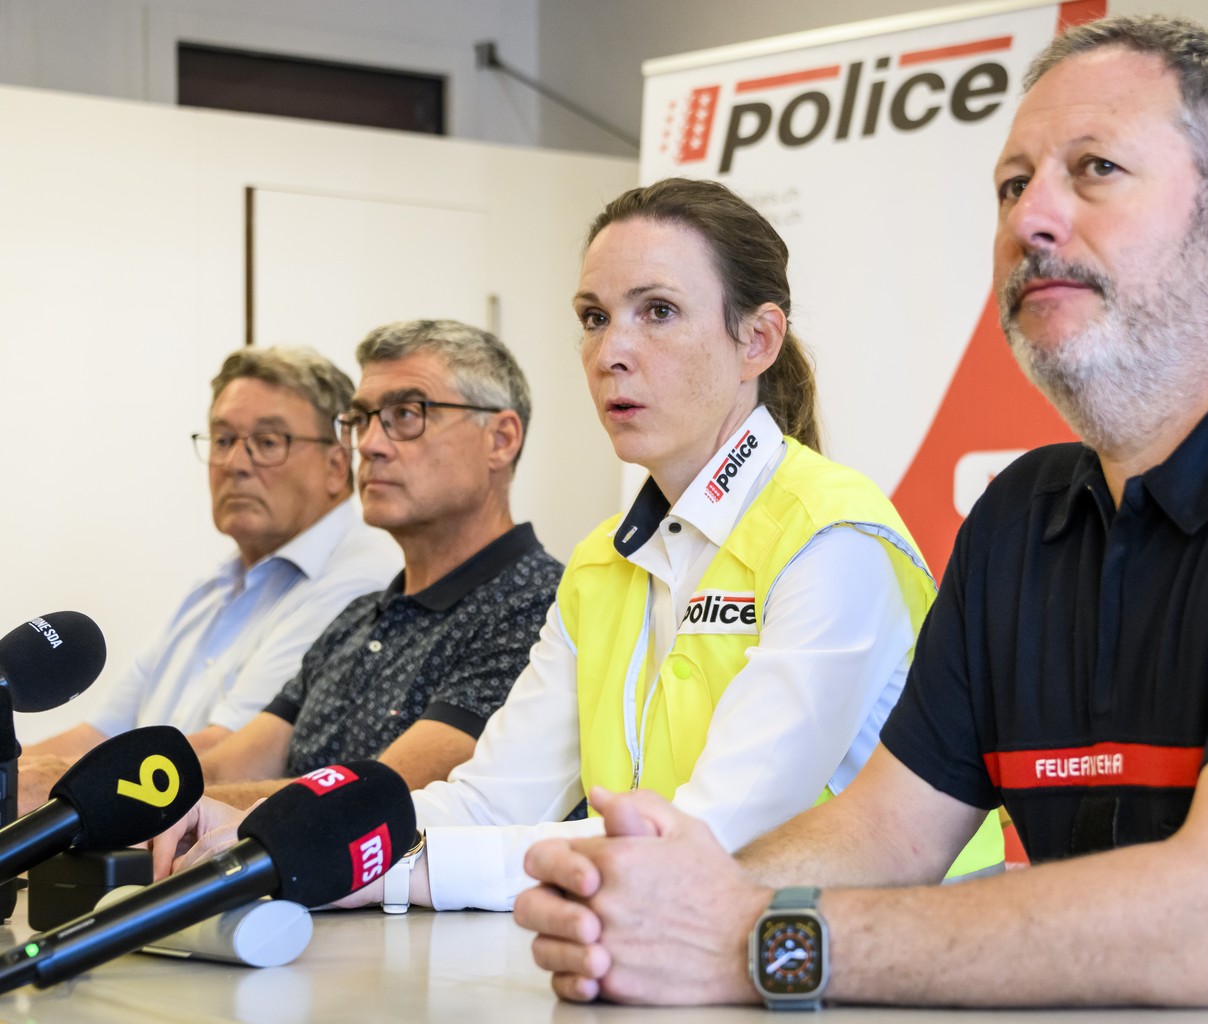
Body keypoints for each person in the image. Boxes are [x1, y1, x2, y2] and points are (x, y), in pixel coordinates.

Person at [512, 16, 1208, 1024]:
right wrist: (659, 898)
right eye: (1012, 185)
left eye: (1094, 169)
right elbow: (887, 834)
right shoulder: (1021, 514)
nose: (1030, 221)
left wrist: (758, 939)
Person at [156, 179, 1000, 905]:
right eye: (594, 318)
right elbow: (489, 802)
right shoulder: (602, 563)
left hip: (872, 975)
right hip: (679, 954)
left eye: (657, 312)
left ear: (758, 340)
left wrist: (369, 873)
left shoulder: (833, 539)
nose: (611, 353)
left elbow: (706, 842)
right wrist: (272, 836)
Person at [165, 320, 562, 810]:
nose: (370, 444)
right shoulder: (357, 618)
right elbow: (228, 767)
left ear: (500, 440)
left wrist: (176, 813)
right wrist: (110, 800)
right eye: (361, 420)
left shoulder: (539, 607)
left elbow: (381, 795)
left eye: (406, 414)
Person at [20, 347, 398, 809]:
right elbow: (99, 733)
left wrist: (57, 789)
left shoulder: (361, 579)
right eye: (222, 440)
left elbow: (229, 752)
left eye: (268, 442)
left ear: (337, 466)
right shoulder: (214, 586)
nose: (236, 464)